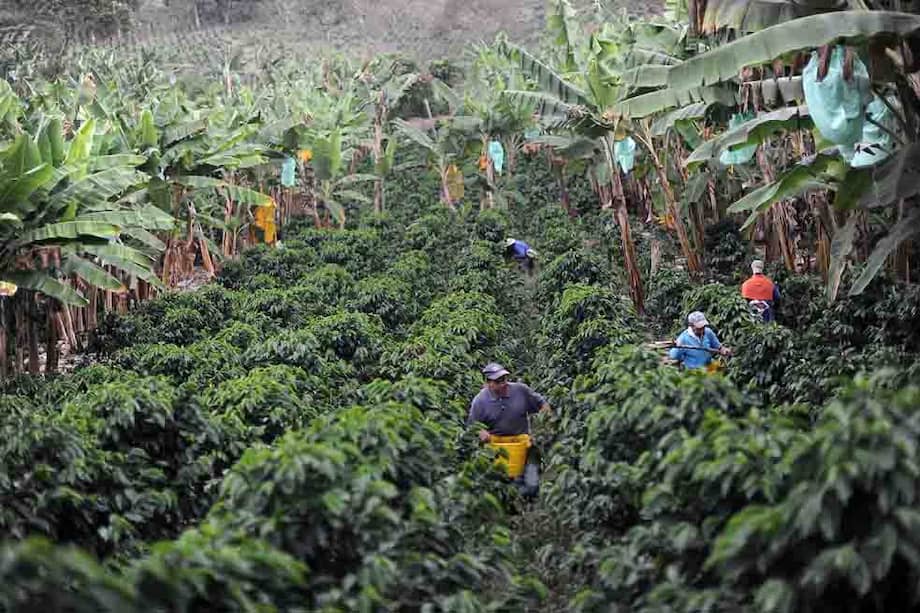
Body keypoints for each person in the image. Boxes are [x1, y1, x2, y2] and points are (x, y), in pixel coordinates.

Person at [467, 362, 551, 498]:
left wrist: (545, 417)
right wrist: (481, 432)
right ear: (489, 384)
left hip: (523, 445)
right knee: (503, 487)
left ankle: (525, 501)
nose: (503, 383)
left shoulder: (520, 391)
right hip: (497, 449)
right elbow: (472, 424)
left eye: (504, 379)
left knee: (531, 487)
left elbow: (541, 403)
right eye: (498, 381)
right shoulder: (480, 401)